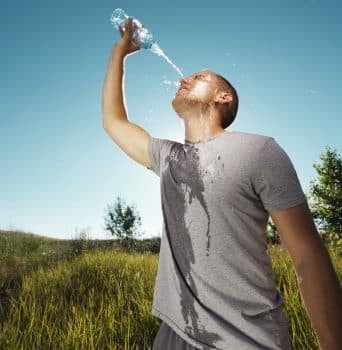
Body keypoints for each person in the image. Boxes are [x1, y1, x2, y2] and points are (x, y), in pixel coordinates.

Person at [102, 17, 342, 350]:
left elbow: (307, 254)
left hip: (248, 340)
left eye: (200, 78)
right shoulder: (168, 157)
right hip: (175, 336)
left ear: (223, 97)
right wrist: (119, 54)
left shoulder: (259, 150)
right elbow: (114, 121)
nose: (184, 79)